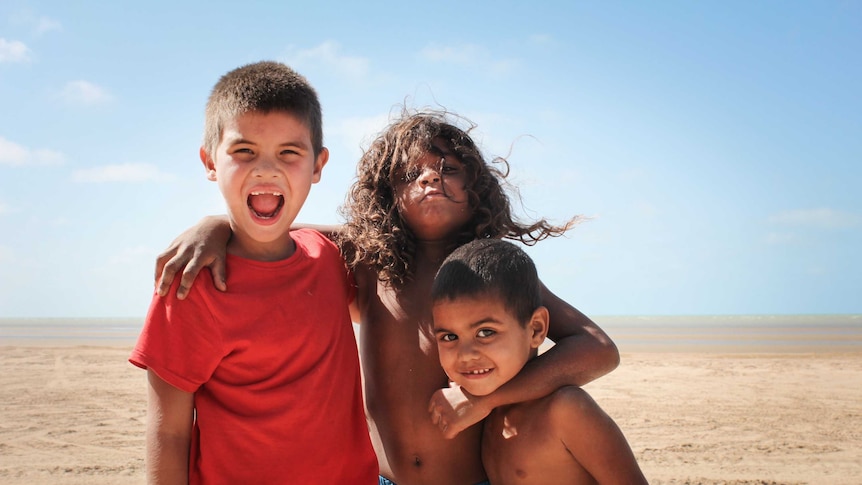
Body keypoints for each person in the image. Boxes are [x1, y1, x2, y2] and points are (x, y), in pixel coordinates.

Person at [155, 110, 620, 485]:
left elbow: (597, 349)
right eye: (410, 173)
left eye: (449, 170)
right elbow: (269, 230)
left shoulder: (491, 273)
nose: (430, 179)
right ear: (386, 193)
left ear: (476, 190)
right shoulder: (364, 256)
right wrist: (213, 225)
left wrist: (487, 401)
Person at [129, 61, 377, 484]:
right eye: (244, 152)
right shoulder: (191, 283)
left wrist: (217, 222)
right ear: (210, 161)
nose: (266, 169)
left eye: (289, 152)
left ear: (318, 166)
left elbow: (379, 239)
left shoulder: (330, 259)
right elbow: (168, 433)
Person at [432, 239, 647, 484]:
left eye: (486, 332)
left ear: (536, 329)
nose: (466, 354)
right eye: (450, 337)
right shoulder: (484, 416)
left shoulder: (565, 410)